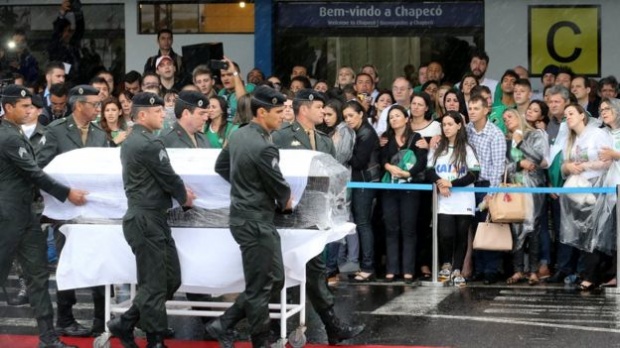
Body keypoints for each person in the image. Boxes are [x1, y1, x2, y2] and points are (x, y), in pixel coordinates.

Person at [272, 89, 364, 343]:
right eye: (319, 107)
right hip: (285, 212)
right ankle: (269, 326)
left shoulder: (324, 141)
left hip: (313, 213)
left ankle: (331, 325)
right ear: (304, 109)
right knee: (275, 267)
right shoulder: (281, 136)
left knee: (315, 267)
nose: (323, 111)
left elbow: (331, 175)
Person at [0, 84, 87, 348]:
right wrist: (67, 193)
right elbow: (34, 173)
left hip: (25, 216)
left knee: (38, 276)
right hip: (6, 218)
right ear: (8, 108)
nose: (30, 110)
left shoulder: (13, 133)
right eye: (24, 106)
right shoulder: (8, 137)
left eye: (31, 106)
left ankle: (48, 337)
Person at [104, 92, 194, 348]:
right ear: (142, 114)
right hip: (146, 219)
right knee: (154, 284)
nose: (163, 115)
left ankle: (127, 321)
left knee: (169, 279)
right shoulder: (148, 143)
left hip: (152, 219)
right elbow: (169, 177)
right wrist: (184, 196)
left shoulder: (134, 140)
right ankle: (154, 340)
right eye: (157, 112)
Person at [207, 86, 292, 348]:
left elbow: (221, 166)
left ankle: (225, 322)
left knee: (274, 278)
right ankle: (259, 339)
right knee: (260, 286)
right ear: (262, 112)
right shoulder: (265, 147)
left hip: (246, 218)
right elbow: (281, 189)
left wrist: (244, 183)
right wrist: (284, 200)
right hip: (256, 221)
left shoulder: (239, 135)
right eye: (278, 112)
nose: (282, 116)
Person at [36, 85, 108, 336]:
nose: (98, 109)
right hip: (65, 209)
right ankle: (65, 319)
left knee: (100, 262)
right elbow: (40, 169)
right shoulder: (56, 132)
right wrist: (65, 192)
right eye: (94, 104)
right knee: (68, 264)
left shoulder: (100, 134)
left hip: (95, 211)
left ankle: (101, 318)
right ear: (79, 105)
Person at [559, 103, 613, 291]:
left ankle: (593, 275)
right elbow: (564, 166)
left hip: (596, 189)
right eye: (565, 115)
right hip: (579, 193)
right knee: (584, 233)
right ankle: (590, 273)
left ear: (583, 115)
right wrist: (570, 168)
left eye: (571, 113)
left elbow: (607, 162)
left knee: (594, 233)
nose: (568, 117)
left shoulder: (597, 134)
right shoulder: (572, 139)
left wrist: (585, 167)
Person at [426, 111, 479, 287]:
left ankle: (457, 269)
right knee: (445, 234)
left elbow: (473, 174)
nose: (446, 128)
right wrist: (441, 183)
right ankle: (446, 265)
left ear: (459, 126)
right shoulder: (438, 148)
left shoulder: (467, 148)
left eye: (450, 124)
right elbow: (429, 170)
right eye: (444, 125)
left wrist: (452, 183)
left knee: (461, 235)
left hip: (463, 199)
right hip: (444, 199)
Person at [380, 104, 427, 283]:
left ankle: (408, 270)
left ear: (407, 119)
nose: (394, 119)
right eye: (391, 117)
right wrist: (389, 167)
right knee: (391, 228)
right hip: (390, 188)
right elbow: (381, 157)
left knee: (409, 229)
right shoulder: (385, 138)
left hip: (411, 187)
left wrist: (408, 173)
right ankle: (391, 269)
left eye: (397, 115)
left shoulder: (416, 138)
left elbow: (423, 160)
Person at [502, 108, 549, 286]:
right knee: (516, 230)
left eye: (510, 116)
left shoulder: (535, 135)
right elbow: (503, 169)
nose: (507, 120)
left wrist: (521, 143)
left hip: (533, 189)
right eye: (504, 118)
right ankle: (518, 270)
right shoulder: (506, 141)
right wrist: (519, 164)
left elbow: (539, 159)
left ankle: (534, 271)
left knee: (533, 230)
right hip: (515, 189)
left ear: (520, 117)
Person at [466, 95, 506, 284]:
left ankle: (491, 269)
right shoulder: (466, 131)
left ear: (486, 110)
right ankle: (479, 268)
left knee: (489, 226)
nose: (472, 111)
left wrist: (492, 192)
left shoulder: (495, 133)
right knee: (474, 227)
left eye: (475, 108)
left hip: (486, 185)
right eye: (470, 108)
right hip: (469, 185)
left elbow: (499, 166)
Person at [343, 99, 380, 282]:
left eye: (351, 115)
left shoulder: (366, 133)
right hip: (361, 182)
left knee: (363, 224)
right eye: (345, 117)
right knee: (361, 223)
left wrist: (343, 151)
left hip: (366, 183)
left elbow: (359, 162)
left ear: (361, 114)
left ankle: (367, 266)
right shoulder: (358, 132)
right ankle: (365, 264)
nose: (348, 120)